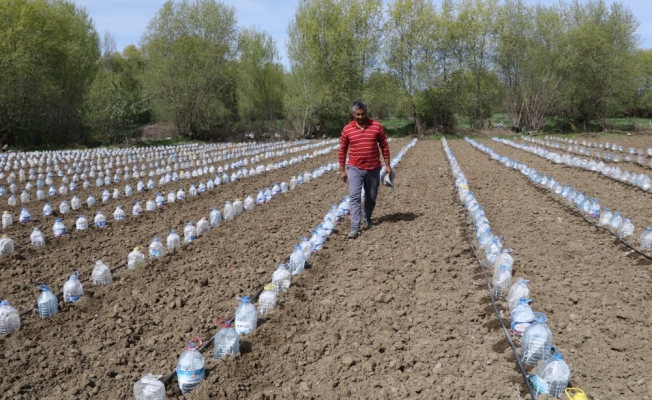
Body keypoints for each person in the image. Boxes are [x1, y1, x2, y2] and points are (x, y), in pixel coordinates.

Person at [339, 101, 392, 239]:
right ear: (353, 114)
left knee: (371, 196)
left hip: (373, 167)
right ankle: (355, 226)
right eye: (357, 114)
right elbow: (342, 150)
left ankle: (367, 217)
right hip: (354, 167)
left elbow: (384, 146)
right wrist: (342, 170)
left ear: (366, 113)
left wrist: (387, 165)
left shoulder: (376, 126)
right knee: (354, 196)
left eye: (362, 114)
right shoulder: (347, 129)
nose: (360, 117)